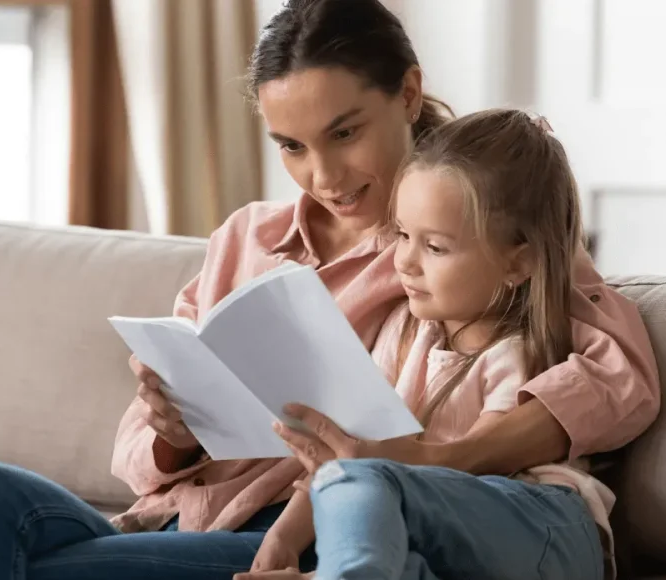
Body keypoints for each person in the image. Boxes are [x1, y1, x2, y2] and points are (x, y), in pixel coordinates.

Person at [0, 1, 658, 579]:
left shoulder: (467, 236)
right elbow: (135, 453)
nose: (323, 176)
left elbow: (614, 370)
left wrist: (435, 457)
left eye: (344, 133)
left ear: (408, 93)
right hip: (173, 516)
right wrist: (174, 427)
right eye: (292, 147)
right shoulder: (246, 239)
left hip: (291, 530)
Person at [236, 109, 618, 580]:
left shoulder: (521, 352)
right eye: (401, 235)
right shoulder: (401, 333)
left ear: (519, 264)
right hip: (435, 534)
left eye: (434, 247)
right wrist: (284, 540)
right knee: (359, 488)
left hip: (528, 519)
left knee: (369, 481)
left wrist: (359, 475)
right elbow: (349, 462)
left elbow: (470, 472)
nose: (405, 262)